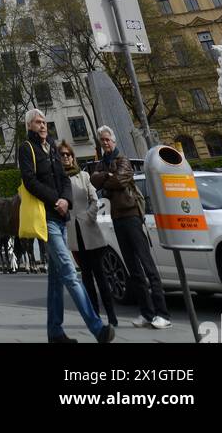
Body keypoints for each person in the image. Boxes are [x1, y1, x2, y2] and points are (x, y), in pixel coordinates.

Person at [18, 109, 114, 345]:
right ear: (29, 126)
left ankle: (55, 333)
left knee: (55, 280)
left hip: (61, 218)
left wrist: (66, 201)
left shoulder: (51, 146)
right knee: (71, 274)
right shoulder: (26, 148)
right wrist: (55, 200)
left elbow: (63, 178)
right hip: (46, 219)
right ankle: (97, 328)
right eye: (38, 122)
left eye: (44, 122)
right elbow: (29, 181)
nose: (42, 125)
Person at [91, 125, 171, 330]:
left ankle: (162, 314)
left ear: (114, 141)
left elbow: (119, 180)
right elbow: (94, 180)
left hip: (132, 215)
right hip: (117, 217)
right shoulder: (103, 163)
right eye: (102, 141)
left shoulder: (123, 160)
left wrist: (107, 177)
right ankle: (146, 312)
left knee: (147, 265)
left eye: (107, 139)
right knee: (133, 268)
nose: (105, 143)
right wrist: (108, 177)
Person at [58, 139, 118, 328]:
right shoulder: (58, 180)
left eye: (68, 154)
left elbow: (95, 199)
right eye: (62, 155)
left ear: (73, 157)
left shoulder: (84, 176)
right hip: (74, 234)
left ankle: (111, 315)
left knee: (100, 276)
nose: (66, 157)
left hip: (91, 231)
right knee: (86, 278)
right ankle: (95, 316)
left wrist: (89, 216)